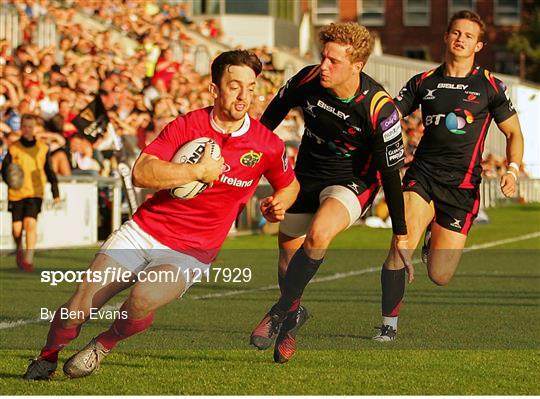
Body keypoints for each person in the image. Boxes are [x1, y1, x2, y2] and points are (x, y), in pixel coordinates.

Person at [23, 50, 299, 380]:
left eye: (251, 87)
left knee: (142, 299)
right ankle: (48, 355)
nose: (244, 96)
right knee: (78, 308)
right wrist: (195, 171)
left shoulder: (267, 144)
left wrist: (279, 203)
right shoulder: (187, 125)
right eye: (234, 85)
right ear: (214, 89)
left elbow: (290, 185)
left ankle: (103, 344)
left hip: (191, 251)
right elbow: (142, 172)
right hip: (143, 230)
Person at [250, 22, 412, 363]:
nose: (324, 65)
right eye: (323, 56)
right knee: (287, 257)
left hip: (353, 181)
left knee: (318, 234)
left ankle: (280, 312)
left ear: (358, 65)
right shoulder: (308, 79)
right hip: (305, 176)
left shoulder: (380, 110)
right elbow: (268, 124)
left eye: (334, 61)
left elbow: (390, 174)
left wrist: (400, 234)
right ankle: (293, 318)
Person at [373, 10, 524, 341]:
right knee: (399, 245)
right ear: (445, 37)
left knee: (440, 275)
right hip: (422, 176)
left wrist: (512, 170)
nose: (461, 39)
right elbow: (389, 115)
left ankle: (433, 236)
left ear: (479, 45)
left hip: (462, 187)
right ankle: (388, 325)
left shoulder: (491, 86)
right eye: (456, 32)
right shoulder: (423, 81)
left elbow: (514, 134)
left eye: (469, 36)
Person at [1, 113, 60, 272]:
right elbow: (5, 171)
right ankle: (19, 247)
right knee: (17, 229)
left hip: (35, 192)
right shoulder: (14, 148)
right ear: (20, 127)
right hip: (16, 193)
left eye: (30, 127)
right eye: (24, 126)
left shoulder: (42, 148)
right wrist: (10, 180)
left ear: (34, 128)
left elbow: (49, 171)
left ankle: (28, 259)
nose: (27, 130)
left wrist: (55, 192)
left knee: (30, 224)